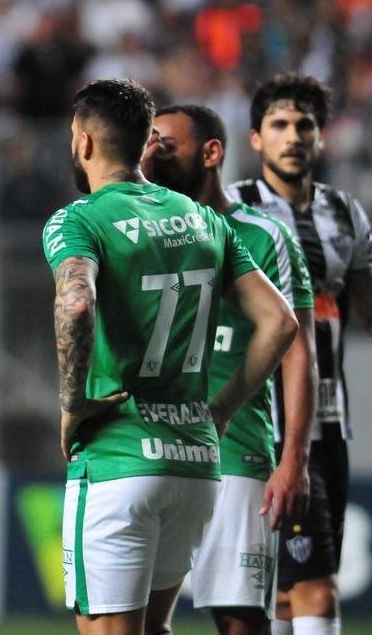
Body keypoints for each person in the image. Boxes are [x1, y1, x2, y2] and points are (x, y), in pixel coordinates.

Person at [42, 79, 298, 635]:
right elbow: (280, 322)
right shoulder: (205, 220)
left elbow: (77, 303)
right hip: (195, 464)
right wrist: (222, 408)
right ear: (143, 145)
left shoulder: (79, 220)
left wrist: (73, 404)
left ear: (84, 142)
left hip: (117, 462)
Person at [144, 105, 316, 635]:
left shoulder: (265, 236)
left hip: (235, 449)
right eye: (147, 145)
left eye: (165, 146)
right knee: (137, 619)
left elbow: (297, 349)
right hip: (149, 446)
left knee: (239, 619)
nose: (152, 156)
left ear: (211, 153)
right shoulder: (141, 229)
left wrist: (294, 459)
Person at [229, 73, 372, 635]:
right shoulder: (233, 210)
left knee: (290, 591)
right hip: (262, 425)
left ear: (322, 136)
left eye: (305, 125)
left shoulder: (347, 214)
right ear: (256, 138)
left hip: (330, 423)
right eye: (280, 124)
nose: (293, 136)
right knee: (313, 584)